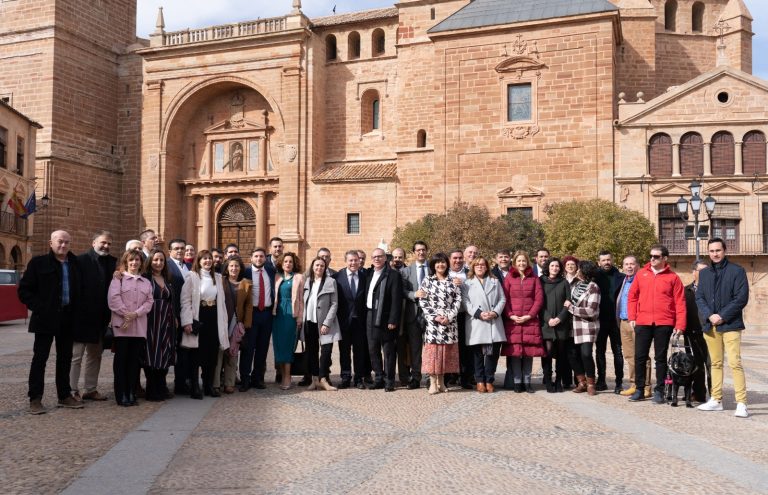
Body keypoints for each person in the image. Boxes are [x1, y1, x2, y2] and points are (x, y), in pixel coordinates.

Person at [19, 230, 84, 414]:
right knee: (40, 359)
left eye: (66, 242)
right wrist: (40, 307)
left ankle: (64, 395)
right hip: (45, 319)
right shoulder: (38, 263)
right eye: (60, 242)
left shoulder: (76, 264)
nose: (63, 245)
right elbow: (24, 291)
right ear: (51, 243)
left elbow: (82, 289)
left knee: (65, 359)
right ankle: (35, 399)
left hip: (68, 318)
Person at [696, 238, 750, 417]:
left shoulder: (737, 271)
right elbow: (700, 298)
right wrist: (710, 315)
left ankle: (741, 402)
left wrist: (722, 316)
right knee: (715, 363)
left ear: (724, 251)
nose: (715, 254)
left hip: (731, 324)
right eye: (711, 251)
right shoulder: (703, 274)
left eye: (718, 250)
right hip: (710, 325)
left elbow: (741, 298)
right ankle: (716, 399)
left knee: (735, 363)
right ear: (708, 252)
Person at [627, 244, 686, 404]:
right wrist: (632, 316)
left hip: (664, 323)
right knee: (640, 357)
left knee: (660, 358)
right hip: (643, 322)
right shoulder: (641, 274)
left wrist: (680, 325)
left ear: (665, 258)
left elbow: (680, 302)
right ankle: (640, 389)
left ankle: (659, 390)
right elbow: (632, 296)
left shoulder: (673, 278)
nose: (652, 259)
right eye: (651, 256)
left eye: (656, 256)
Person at [71, 230, 116, 402]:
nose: (106, 246)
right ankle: (72, 390)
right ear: (93, 243)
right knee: (76, 356)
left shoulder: (112, 263)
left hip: (101, 319)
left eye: (109, 244)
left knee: (95, 355)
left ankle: (90, 389)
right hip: (81, 318)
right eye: (103, 242)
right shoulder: (80, 260)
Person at [180, 250, 229, 399]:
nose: (208, 261)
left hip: (214, 316)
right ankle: (195, 387)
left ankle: (208, 385)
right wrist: (187, 321)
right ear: (199, 261)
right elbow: (185, 300)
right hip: (199, 317)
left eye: (209, 259)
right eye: (204, 259)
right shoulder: (192, 276)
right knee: (196, 354)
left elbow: (222, 301)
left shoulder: (218, 277)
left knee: (212, 354)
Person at [108, 250, 154, 406]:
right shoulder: (118, 280)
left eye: (137, 260)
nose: (134, 262)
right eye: (131, 260)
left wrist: (136, 314)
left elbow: (149, 302)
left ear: (141, 262)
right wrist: (126, 314)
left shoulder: (146, 282)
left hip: (139, 326)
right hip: (122, 327)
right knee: (121, 362)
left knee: (134, 363)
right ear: (126, 262)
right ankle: (121, 394)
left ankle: (131, 392)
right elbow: (113, 299)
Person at [501, 250, 545, 393]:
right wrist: (511, 315)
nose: (521, 263)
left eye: (524, 261)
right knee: (515, 353)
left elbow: (539, 299)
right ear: (514, 262)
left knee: (528, 353)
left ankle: (527, 382)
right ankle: (517, 382)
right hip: (513, 322)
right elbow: (504, 299)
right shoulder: (508, 278)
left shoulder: (534, 278)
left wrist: (530, 315)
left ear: (528, 263)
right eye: (519, 261)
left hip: (529, 321)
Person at [462, 256, 506, 393]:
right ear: (473, 268)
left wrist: (494, 312)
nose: (480, 267)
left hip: (493, 321)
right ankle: (480, 380)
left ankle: (489, 380)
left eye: (482, 264)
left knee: (492, 354)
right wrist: (478, 313)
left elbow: (502, 299)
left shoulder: (495, 281)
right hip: (477, 322)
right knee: (478, 355)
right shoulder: (467, 283)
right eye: (477, 265)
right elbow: (465, 301)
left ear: (487, 267)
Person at [420, 253, 462, 395]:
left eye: (443, 262)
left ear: (447, 264)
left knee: (445, 353)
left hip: (449, 323)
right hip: (434, 324)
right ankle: (432, 383)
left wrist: (449, 317)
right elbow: (423, 301)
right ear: (433, 265)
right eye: (437, 263)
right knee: (433, 354)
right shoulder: (428, 280)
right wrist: (435, 317)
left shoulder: (453, 281)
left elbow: (457, 300)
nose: (440, 265)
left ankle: (441, 382)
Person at [364, 248, 403, 391]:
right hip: (369, 315)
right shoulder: (369, 274)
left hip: (386, 318)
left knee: (388, 351)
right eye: (374, 257)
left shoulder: (393, 275)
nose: (377, 259)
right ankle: (379, 377)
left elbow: (396, 300)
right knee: (372, 349)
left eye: (380, 256)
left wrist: (393, 320)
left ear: (385, 258)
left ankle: (389, 380)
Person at [142, 249, 177, 401]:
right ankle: (152, 389)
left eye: (161, 260)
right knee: (151, 354)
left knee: (164, 353)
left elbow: (171, 300)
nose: (159, 263)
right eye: (155, 260)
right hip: (150, 321)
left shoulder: (167, 278)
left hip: (166, 321)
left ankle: (161, 387)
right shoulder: (145, 278)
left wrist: (174, 316)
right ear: (150, 261)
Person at [303, 257, 341, 391]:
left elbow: (334, 303)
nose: (319, 268)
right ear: (312, 267)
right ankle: (314, 380)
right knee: (311, 351)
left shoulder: (331, 282)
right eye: (317, 265)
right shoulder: (307, 281)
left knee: (326, 351)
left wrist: (327, 323)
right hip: (309, 321)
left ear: (325, 268)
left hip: (325, 323)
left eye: (322, 266)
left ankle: (323, 378)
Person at [616, 255, 651, 398]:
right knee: (629, 355)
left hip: (638, 322)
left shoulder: (642, 280)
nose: (629, 267)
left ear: (637, 266)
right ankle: (634, 384)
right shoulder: (623, 280)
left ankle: (646, 386)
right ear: (623, 266)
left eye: (632, 264)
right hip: (623, 322)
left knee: (642, 356)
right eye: (626, 264)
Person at [333, 250, 369, 389]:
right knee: (344, 351)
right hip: (344, 322)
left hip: (360, 321)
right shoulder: (337, 277)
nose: (354, 263)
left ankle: (359, 378)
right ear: (346, 261)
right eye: (351, 260)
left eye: (356, 260)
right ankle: (345, 377)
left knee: (359, 352)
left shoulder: (365, 276)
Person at [240, 248, 275, 390]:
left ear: (265, 258)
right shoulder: (245, 273)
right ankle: (245, 380)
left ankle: (257, 378)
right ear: (251, 258)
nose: (259, 258)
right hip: (251, 314)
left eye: (261, 256)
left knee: (262, 348)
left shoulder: (270, 271)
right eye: (256, 256)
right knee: (248, 348)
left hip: (267, 314)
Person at [565, 260, 601, 395]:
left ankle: (591, 383)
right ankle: (582, 382)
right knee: (572, 354)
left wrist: (572, 308)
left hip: (587, 326)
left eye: (579, 269)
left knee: (586, 354)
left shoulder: (593, 287)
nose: (577, 271)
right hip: (573, 325)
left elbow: (591, 311)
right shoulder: (576, 285)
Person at [398, 241, 430, 389]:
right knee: (415, 348)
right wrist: (413, 294)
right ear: (414, 253)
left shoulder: (434, 268)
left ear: (427, 251)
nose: (421, 252)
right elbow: (402, 291)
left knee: (431, 346)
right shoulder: (405, 272)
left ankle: (431, 376)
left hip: (431, 315)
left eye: (423, 250)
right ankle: (416, 377)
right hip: (413, 314)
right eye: (418, 250)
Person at [219, 257, 251, 394]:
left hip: (236, 323)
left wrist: (246, 324)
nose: (234, 269)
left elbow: (249, 306)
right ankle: (216, 382)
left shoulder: (246, 283)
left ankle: (229, 382)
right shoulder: (220, 281)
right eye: (231, 266)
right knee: (220, 352)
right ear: (227, 268)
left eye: (236, 266)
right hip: (221, 321)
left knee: (233, 352)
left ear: (240, 268)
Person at [539, 258, 572, 393]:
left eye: (557, 266)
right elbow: (539, 302)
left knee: (561, 354)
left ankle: (558, 381)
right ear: (548, 267)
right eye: (552, 265)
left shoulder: (564, 282)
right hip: (546, 324)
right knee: (547, 353)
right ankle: (548, 380)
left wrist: (559, 318)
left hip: (561, 324)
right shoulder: (541, 281)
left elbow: (568, 301)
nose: (555, 268)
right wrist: (548, 319)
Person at [272, 253, 304, 390]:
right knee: (278, 346)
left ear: (294, 263)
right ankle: (282, 374)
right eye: (285, 261)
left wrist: (299, 318)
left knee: (288, 346)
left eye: (290, 261)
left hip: (291, 315)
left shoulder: (299, 277)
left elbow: (301, 300)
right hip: (278, 314)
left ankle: (287, 377)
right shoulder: (277, 276)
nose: (288, 264)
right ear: (282, 263)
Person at [595, 250, 624, 393]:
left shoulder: (621, 277)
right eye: (603, 260)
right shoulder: (594, 277)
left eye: (608, 259)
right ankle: (601, 380)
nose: (606, 262)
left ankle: (619, 382)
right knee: (599, 351)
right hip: (599, 320)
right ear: (599, 262)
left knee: (617, 352)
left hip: (616, 321)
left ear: (612, 260)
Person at [685, 260, 711, 403]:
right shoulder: (685, 290)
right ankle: (699, 394)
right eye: (701, 271)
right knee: (696, 365)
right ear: (694, 272)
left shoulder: (713, 290)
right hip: (691, 332)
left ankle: (714, 395)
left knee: (711, 364)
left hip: (710, 332)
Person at [167, 238, 189, 395]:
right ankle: (163, 383)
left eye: (182, 248)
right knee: (170, 350)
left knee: (184, 350)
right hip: (173, 315)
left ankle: (181, 383)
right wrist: (173, 315)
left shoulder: (188, 266)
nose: (180, 251)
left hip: (186, 315)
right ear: (170, 251)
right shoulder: (166, 266)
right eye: (176, 248)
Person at [448, 249, 472, 388]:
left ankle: (465, 378)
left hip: (465, 314)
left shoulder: (469, 272)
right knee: (450, 346)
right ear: (450, 259)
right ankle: (450, 376)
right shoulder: (444, 272)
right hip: (449, 315)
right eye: (455, 258)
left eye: (460, 258)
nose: (457, 260)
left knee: (464, 347)